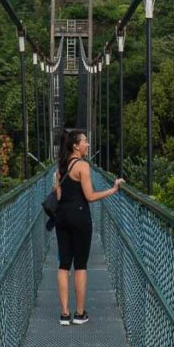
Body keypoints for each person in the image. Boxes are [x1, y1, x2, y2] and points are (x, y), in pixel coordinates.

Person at [53, 129, 125, 326]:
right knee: (81, 265)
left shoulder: (60, 166)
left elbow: (58, 195)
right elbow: (90, 197)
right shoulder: (83, 166)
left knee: (63, 264)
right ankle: (79, 313)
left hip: (62, 217)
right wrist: (113, 189)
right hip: (79, 217)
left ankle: (64, 314)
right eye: (85, 141)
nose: (87, 145)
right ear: (76, 146)